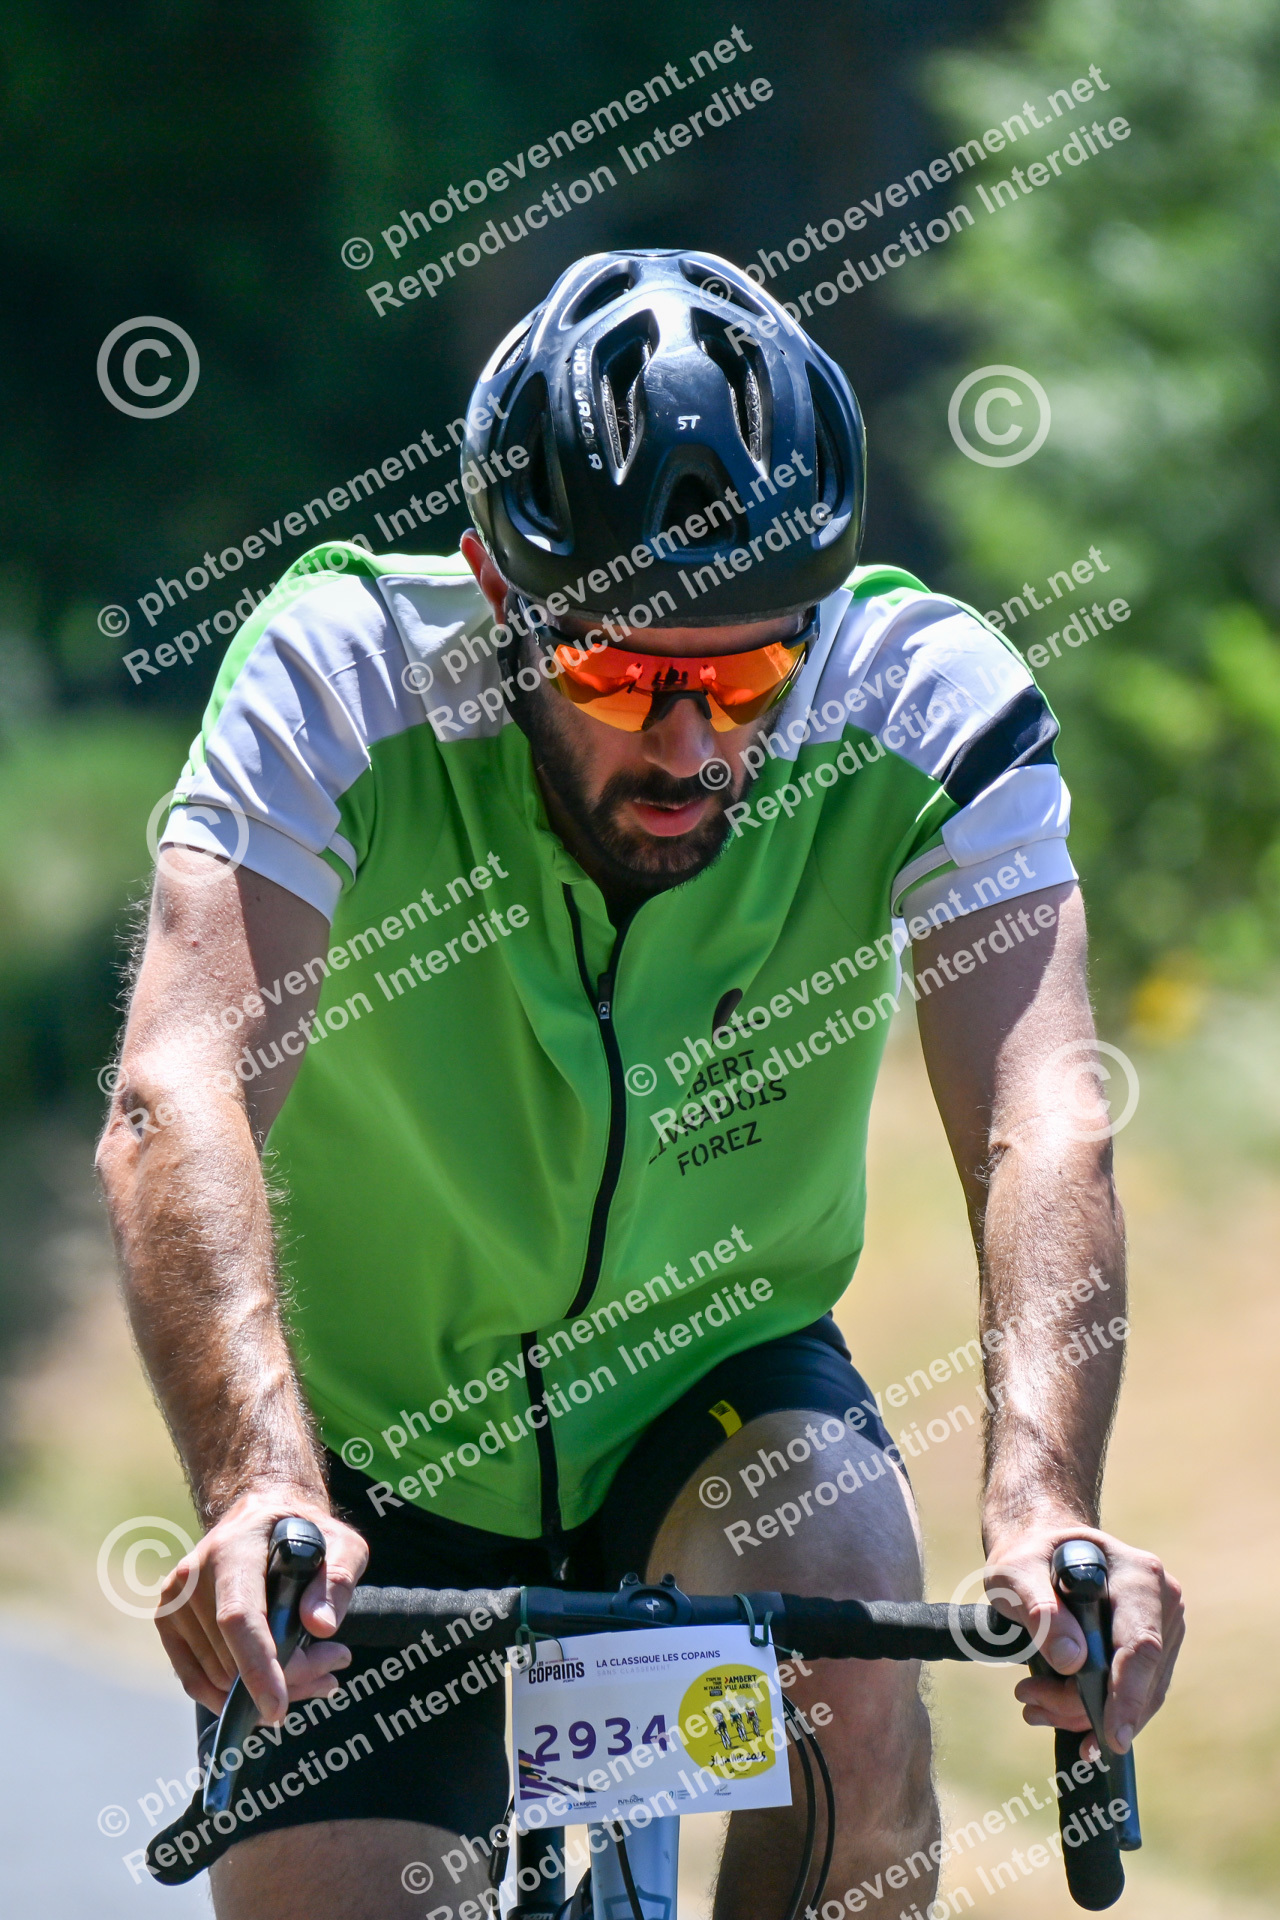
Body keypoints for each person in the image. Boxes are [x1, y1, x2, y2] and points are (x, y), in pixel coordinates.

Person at [98, 250, 1182, 1920]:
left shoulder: (926, 703)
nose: (689, 745)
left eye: (744, 678)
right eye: (617, 676)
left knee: (847, 1625)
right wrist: (257, 1488)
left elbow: (1042, 1118)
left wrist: (1045, 1511)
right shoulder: (339, 677)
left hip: (711, 1400)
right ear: (497, 596)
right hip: (373, 1463)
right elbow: (178, 1093)